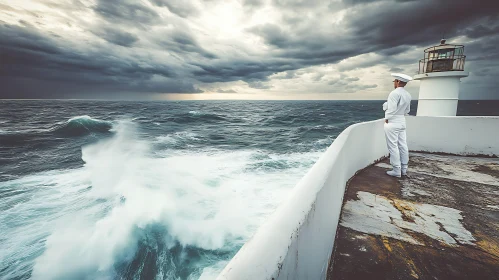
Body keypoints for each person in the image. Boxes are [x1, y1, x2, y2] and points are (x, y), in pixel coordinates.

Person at [383, 73, 412, 178]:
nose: (394, 83)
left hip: (393, 122)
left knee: (393, 146)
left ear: (398, 82)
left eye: (394, 81)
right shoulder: (408, 94)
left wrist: (387, 118)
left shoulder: (394, 93)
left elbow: (391, 109)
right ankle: (404, 169)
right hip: (402, 121)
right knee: (403, 145)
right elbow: (407, 110)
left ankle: (396, 170)